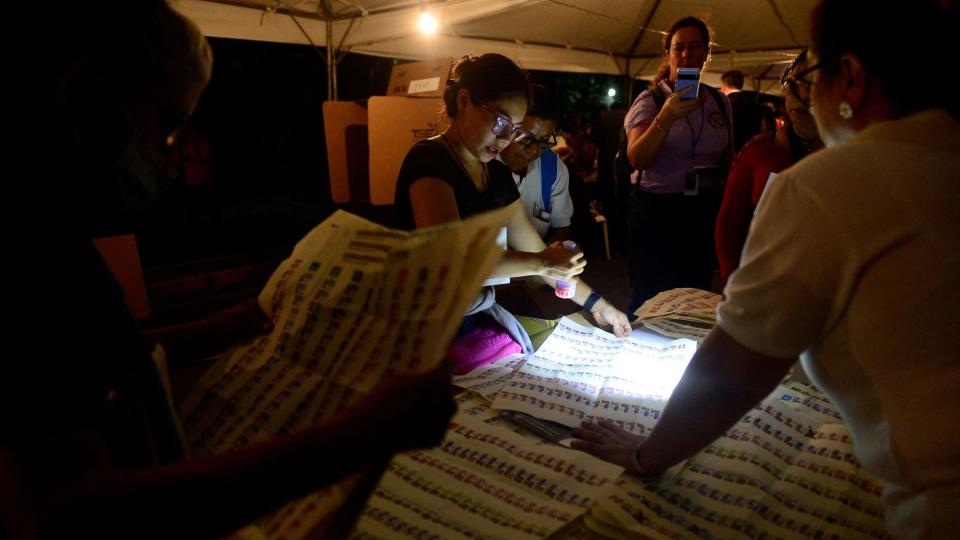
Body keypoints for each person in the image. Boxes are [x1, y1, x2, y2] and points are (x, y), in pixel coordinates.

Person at [1, 2, 456, 538]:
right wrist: (360, 436)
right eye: (168, 125)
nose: (173, 160)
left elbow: (85, 363)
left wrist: (212, 330)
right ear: (86, 92)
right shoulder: (26, 257)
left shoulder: (58, 234)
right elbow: (71, 507)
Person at [571, 1, 960, 537]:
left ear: (850, 79)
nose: (799, 99)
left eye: (811, 78)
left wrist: (643, 456)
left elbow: (736, 369)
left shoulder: (827, 183)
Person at [393, 54, 631, 351]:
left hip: (471, 317)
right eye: (502, 122)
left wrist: (599, 305)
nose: (507, 139)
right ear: (464, 101)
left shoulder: (495, 173)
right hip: (421, 327)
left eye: (515, 129)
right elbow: (453, 265)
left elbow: (536, 250)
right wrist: (544, 262)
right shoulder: (430, 160)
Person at [623, 16, 733, 313]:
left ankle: (687, 355)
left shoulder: (719, 102)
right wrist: (667, 117)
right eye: (679, 48)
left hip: (703, 209)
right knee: (651, 297)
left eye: (695, 47)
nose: (686, 55)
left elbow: (727, 155)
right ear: (668, 54)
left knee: (695, 297)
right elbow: (638, 158)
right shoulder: (652, 101)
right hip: (657, 210)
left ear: (707, 54)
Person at [714, 51, 823, 287]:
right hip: (764, 284)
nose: (799, 96)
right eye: (792, 85)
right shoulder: (759, 151)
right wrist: (732, 282)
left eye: (810, 85)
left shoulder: (851, 155)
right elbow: (728, 225)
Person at [499, 84, 573, 244]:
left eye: (544, 141)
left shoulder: (553, 169)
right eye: (526, 138)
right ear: (506, 126)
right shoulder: (483, 167)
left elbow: (561, 227)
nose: (534, 150)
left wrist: (545, 261)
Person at [720, 69, 768, 153]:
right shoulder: (754, 104)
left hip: (729, 152)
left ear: (725, 85)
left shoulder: (724, 104)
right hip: (751, 150)